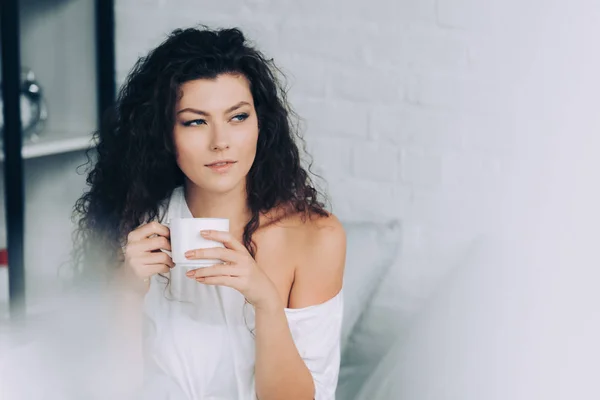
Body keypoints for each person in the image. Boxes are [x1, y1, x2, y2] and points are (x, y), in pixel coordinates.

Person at [72, 26, 346, 400]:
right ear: (166, 134)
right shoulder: (137, 224)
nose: (220, 142)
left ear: (260, 125)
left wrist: (265, 301)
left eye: (237, 117)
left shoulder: (315, 237)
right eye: (196, 121)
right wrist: (126, 292)